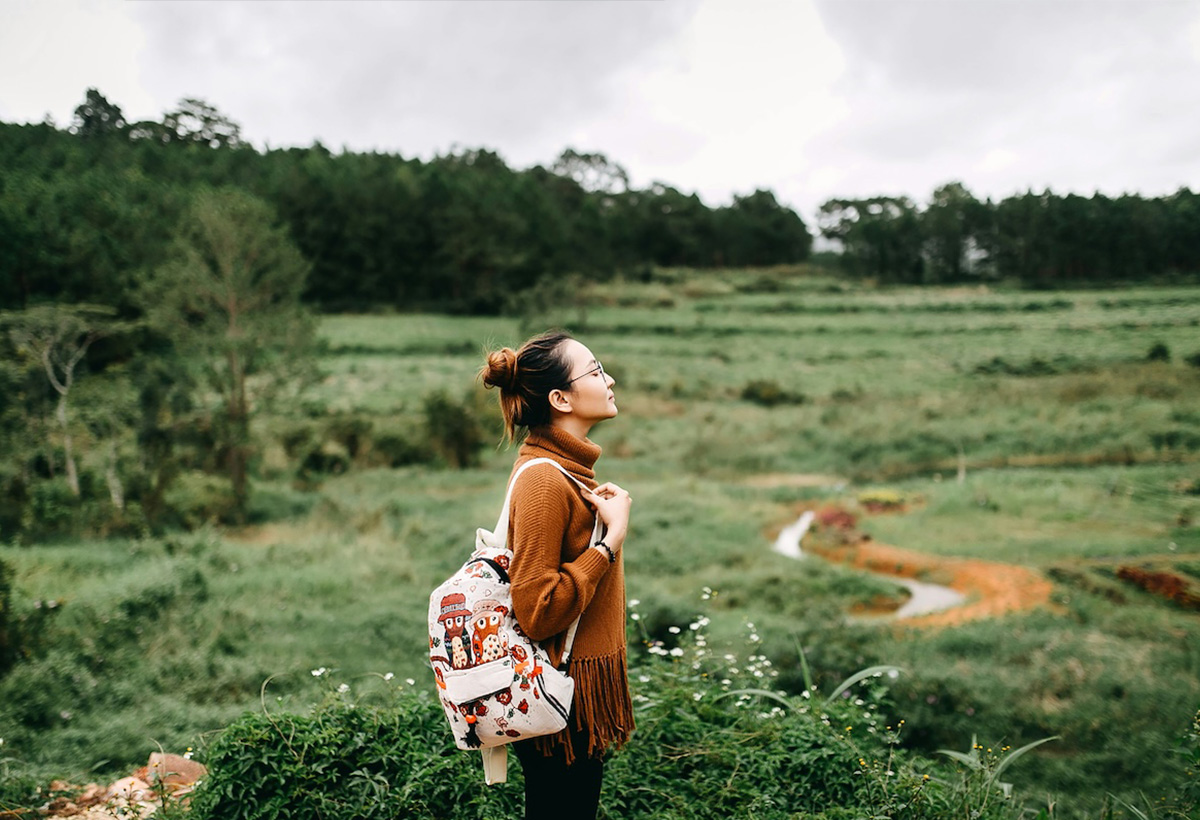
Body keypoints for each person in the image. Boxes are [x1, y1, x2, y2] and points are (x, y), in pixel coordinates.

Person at [479, 330, 634, 820]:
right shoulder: (545, 480)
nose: (610, 380)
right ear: (560, 398)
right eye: (596, 371)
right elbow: (537, 609)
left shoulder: (566, 470)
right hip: (559, 690)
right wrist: (609, 542)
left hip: (572, 689)